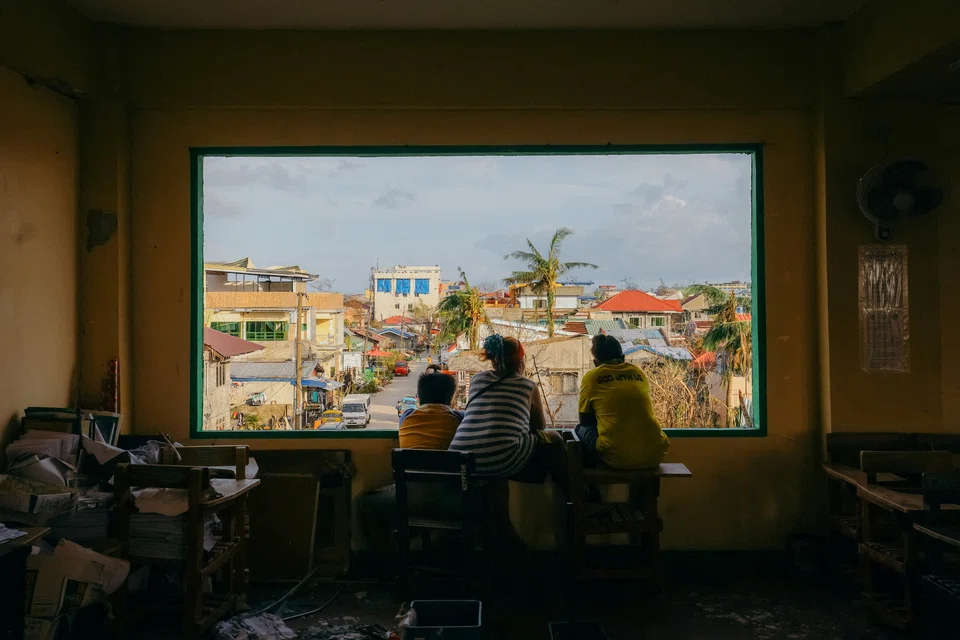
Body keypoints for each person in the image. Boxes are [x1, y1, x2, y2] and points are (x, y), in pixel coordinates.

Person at [358, 372, 464, 552]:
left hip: (407, 497)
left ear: (419, 395)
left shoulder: (406, 417)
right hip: (452, 500)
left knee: (365, 503)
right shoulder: (459, 419)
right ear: (451, 396)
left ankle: (384, 562)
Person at [450, 335, 567, 486]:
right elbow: (539, 427)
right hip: (503, 461)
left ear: (492, 359)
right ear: (521, 361)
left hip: (459, 460)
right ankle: (570, 498)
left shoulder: (477, 380)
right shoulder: (528, 386)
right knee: (554, 437)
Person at [576, 334, 669, 469]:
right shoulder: (638, 373)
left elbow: (585, 420)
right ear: (623, 358)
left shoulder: (592, 377)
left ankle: (590, 487)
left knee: (580, 429)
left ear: (596, 363)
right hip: (656, 454)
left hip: (617, 457)